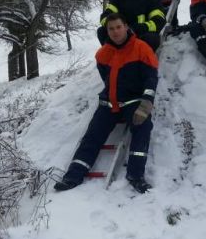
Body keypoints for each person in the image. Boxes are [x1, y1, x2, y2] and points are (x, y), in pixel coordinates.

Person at [55, 13, 158, 193]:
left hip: (133, 101)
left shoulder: (142, 49)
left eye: (118, 27)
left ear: (126, 26)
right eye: (111, 29)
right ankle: (73, 176)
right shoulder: (102, 54)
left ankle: (136, 175)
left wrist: (146, 104)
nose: (115, 31)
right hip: (109, 103)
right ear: (107, 31)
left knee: (143, 128)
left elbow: (151, 78)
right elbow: (106, 79)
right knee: (92, 135)